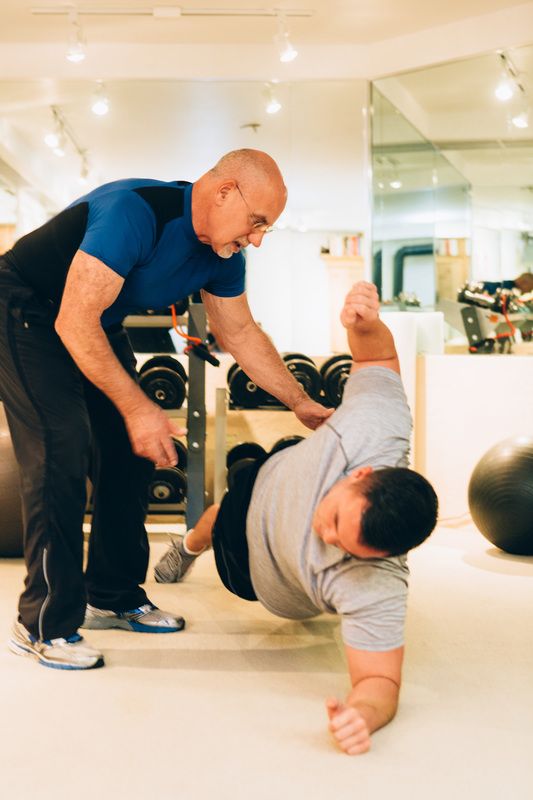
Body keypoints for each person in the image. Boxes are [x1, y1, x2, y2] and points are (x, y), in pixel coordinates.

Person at [0, 148, 331, 671]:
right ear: (224, 192)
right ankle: (42, 623)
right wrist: (137, 408)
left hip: (93, 322)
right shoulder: (136, 212)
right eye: (256, 221)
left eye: (266, 228)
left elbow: (239, 332)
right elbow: (72, 322)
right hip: (25, 310)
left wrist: (301, 401)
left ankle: (111, 595)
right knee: (62, 445)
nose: (257, 238)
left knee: (132, 452)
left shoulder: (224, 256)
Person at [155, 281, 439, 755]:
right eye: (336, 519)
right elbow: (377, 359)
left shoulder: (374, 582)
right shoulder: (376, 430)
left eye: (344, 546)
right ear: (361, 474)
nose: (325, 533)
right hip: (275, 475)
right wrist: (365, 324)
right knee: (223, 503)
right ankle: (186, 548)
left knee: (220, 518)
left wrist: (363, 715)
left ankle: (197, 542)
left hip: (257, 564)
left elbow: (379, 681)